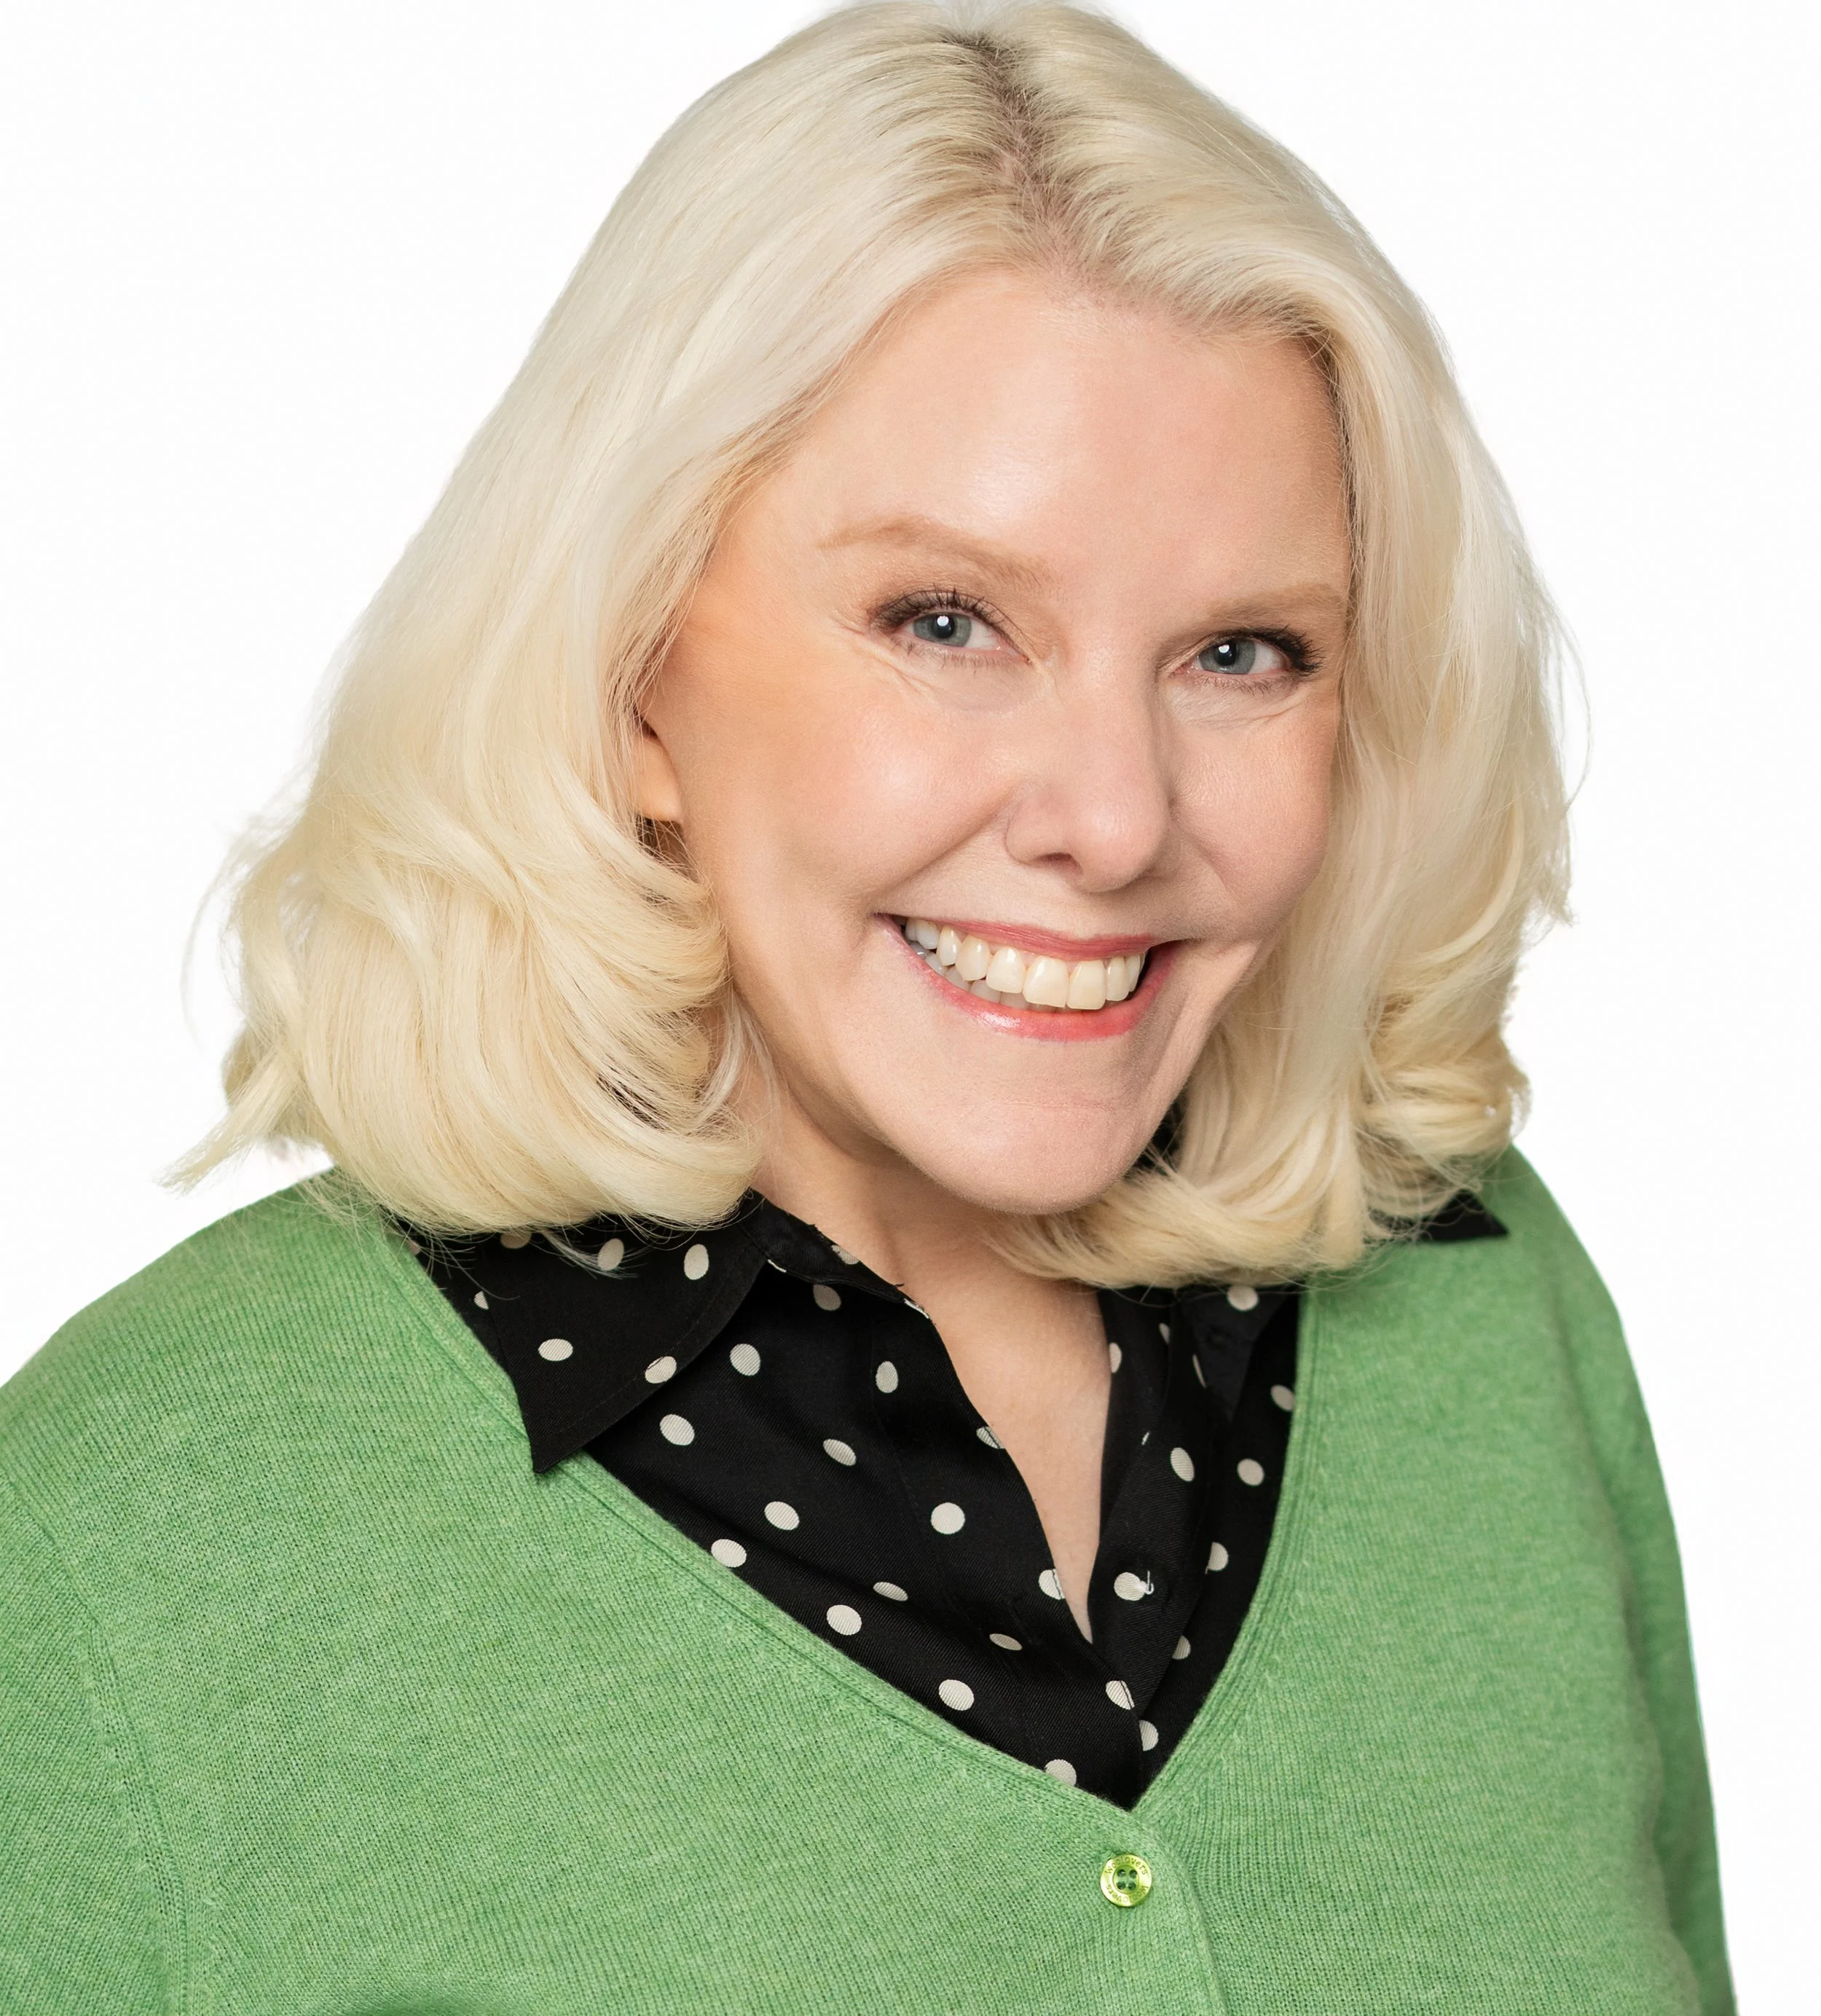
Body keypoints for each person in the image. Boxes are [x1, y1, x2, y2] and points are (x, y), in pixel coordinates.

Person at [0, 4, 1731, 2009]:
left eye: (1243, 652)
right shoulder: (140, 1530)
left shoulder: (1479, 1309)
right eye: (945, 622)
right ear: (634, 664)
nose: (1111, 816)